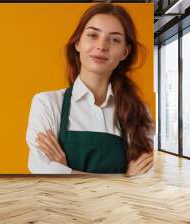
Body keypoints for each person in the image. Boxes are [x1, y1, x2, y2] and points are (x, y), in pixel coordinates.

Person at [26, 3, 154, 176]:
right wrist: (124, 179)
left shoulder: (139, 112)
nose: (102, 46)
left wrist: (68, 172)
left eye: (114, 39)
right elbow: (43, 170)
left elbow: (145, 176)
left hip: (121, 205)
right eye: (93, 35)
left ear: (124, 52)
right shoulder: (47, 103)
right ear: (78, 42)